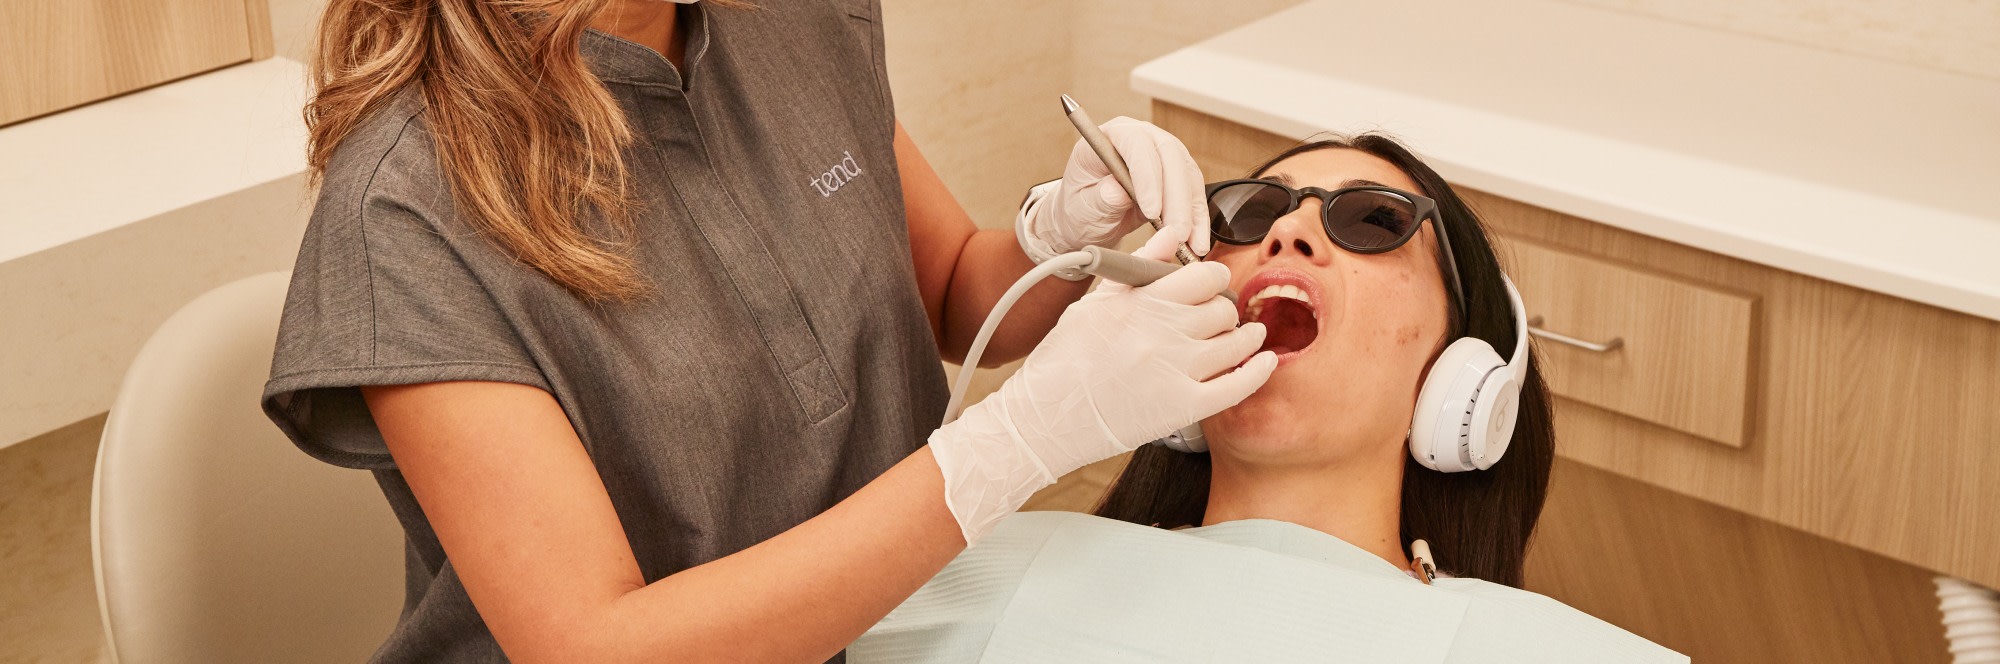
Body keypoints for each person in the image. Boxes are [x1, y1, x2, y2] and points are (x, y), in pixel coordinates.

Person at [259, 1, 1273, 661]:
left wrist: (1056, 228)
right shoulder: (405, 214)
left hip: (909, 632)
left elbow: (954, 292)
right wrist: (1013, 445)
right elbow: (594, 648)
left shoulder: (788, 21)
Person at [850, 135, 1686, 662]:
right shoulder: (957, 564)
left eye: (1372, 221)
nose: (1289, 232)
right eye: (1250, 214)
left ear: (1461, 378)